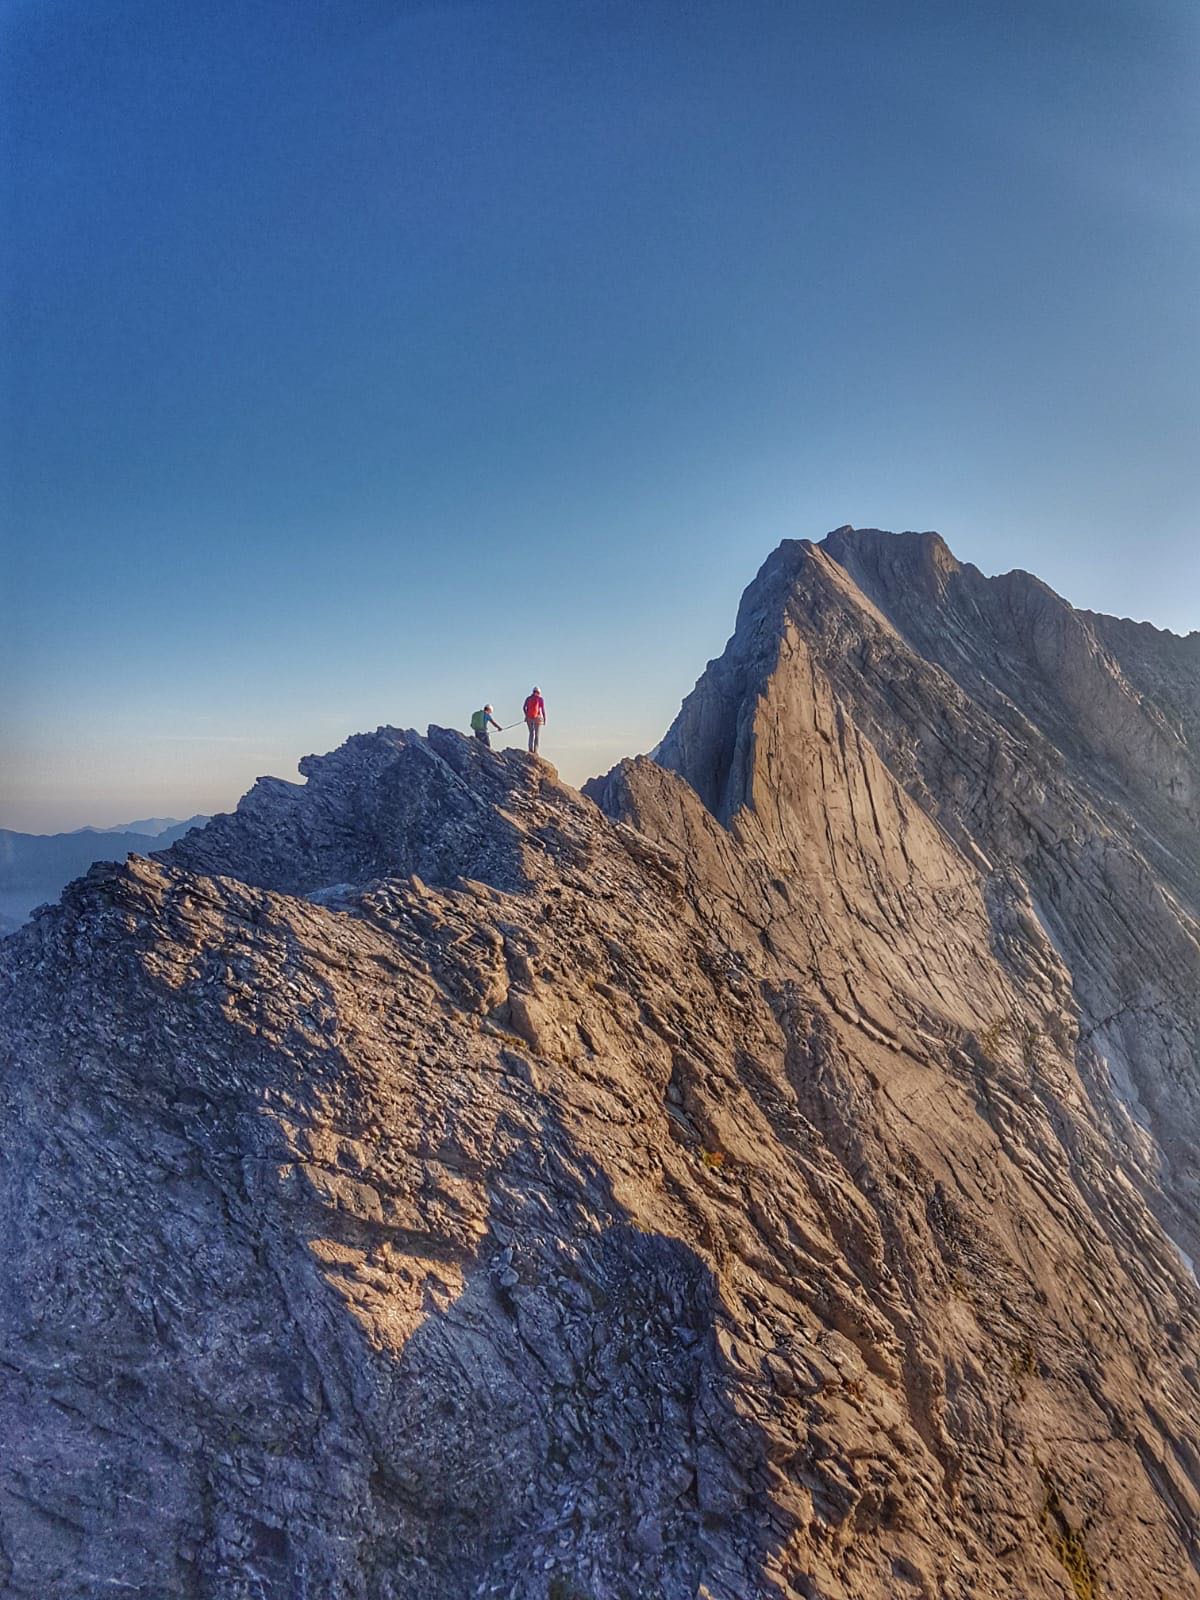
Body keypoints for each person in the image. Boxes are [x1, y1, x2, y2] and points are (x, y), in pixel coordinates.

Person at [523, 686, 546, 754]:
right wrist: (544, 718)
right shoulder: (540, 699)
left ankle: (530, 749)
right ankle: (535, 750)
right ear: (539, 692)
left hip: (529, 717)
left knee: (531, 733)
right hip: (537, 718)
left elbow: (524, 708)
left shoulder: (528, 698)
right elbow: (543, 710)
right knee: (537, 734)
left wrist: (526, 715)